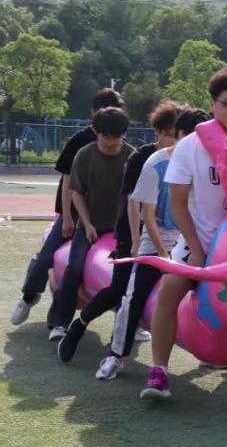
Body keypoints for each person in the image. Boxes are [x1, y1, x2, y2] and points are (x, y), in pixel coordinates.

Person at [142, 68, 227, 400]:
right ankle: (159, 371)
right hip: (197, 240)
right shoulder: (190, 146)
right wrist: (197, 248)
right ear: (212, 104)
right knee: (169, 290)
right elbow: (178, 203)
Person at [87, 109, 211, 380]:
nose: (200, 144)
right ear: (180, 134)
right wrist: (163, 255)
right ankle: (116, 355)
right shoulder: (156, 162)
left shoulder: (211, 164)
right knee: (133, 295)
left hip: (197, 243)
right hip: (158, 243)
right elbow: (147, 214)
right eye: (193, 136)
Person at [57, 100, 185, 361]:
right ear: (157, 132)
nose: (173, 141)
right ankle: (78, 326)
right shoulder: (140, 158)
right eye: (168, 134)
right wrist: (135, 240)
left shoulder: (186, 160)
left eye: (178, 136)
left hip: (171, 236)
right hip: (132, 233)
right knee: (119, 288)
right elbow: (131, 202)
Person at [11, 88, 125, 329]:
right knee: (46, 257)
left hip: (104, 218)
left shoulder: (121, 145)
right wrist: (66, 218)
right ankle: (29, 297)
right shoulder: (80, 142)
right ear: (93, 114)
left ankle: (124, 321)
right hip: (73, 213)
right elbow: (67, 182)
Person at [47, 107, 135, 341]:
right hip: (90, 223)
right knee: (75, 267)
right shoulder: (84, 155)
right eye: (106, 136)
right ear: (96, 132)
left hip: (121, 228)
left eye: (117, 137)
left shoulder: (132, 156)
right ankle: (60, 323)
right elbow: (77, 192)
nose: (111, 142)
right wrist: (86, 224)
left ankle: (130, 325)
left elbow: (136, 198)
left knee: (129, 272)